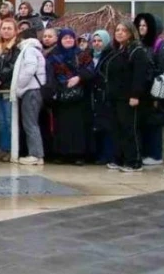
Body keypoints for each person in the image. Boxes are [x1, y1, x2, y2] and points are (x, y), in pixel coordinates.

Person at [102, 21, 150, 173]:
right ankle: (119, 158)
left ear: (130, 33)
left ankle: (134, 161)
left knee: (130, 129)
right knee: (117, 129)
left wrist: (135, 95)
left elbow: (139, 75)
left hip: (128, 97)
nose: (120, 33)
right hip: (115, 97)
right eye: (117, 30)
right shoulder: (117, 50)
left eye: (123, 30)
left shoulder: (137, 51)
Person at [45, 28, 93, 165]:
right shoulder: (53, 56)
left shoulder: (82, 55)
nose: (68, 40)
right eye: (65, 38)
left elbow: (90, 71)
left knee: (78, 126)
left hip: (79, 97)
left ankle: (78, 155)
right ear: (60, 40)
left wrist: (78, 78)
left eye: (71, 38)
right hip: (61, 97)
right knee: (61, 126)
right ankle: (62, 154)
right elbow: (49, 75)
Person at [134, 12, 164, 166]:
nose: (141, 28)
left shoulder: (159, 45)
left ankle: (155, 155)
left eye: (145, 25)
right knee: (142, 123)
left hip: (154, 92)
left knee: (153, 124)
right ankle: (144, 153)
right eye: (140, 25)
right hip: (141, 91)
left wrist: (158, 96)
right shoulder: (139, 44)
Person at [12, 28, 47, 166]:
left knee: (30, 123)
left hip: (30, 90)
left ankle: (36, 154)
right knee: (31, 123)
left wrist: (19, 84)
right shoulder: (36, 50)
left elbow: (30, 68)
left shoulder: (29, 50)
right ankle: (36, 154)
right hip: (34, 90)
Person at [0, 18, 19, 161]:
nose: (6, 31)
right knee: (0, 121)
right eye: (4, 28)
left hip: (8, 89)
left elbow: (13, 67)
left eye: (9, 28)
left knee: (9, 120)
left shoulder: (17, 48)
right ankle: (1, 147)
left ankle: (10, 149)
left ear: (15, 31)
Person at [88, 29, 115, 165]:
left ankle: (107, 155)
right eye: (95, 41)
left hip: (105, 96)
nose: (97, 44)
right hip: (93, 96)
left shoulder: (110, 56)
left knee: (107, 128)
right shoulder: (89, 55)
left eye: (100, 41)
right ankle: (97, 154)